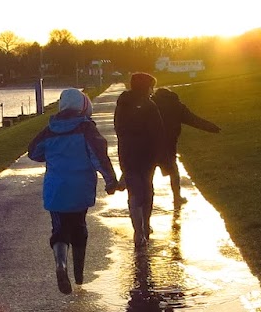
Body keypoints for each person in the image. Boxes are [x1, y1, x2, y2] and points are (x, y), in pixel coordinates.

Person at [28, 87, 118, 293]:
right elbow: (99, 157)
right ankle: (79, 274)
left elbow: (33, 152)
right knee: (79, 226)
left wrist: (51, 156)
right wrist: (110, 181)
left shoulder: (50, 129)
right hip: (80, 188)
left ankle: (61, 265)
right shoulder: (86, 128)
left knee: (59, 230)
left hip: (55, 189)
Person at [112, 72, 165, 247]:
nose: (152, 91)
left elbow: (118, 127)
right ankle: (146, 224)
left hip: (127, 152)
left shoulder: (122, 103)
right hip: (147, 155)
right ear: (146, 87)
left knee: (134, 191)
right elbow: (158, 132)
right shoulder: (150, 106)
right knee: (147, 189)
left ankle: (137, 231)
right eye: (151, 87)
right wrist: (160, 155)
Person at [149, 84, 220, 207]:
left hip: (151, 145)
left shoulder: (151, 104)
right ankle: (177, 197)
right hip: (169, 145)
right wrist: (211, 127)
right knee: (173, 172)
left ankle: (147, 198)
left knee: (149, 173)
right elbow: (194, 120)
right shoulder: (176, 106)